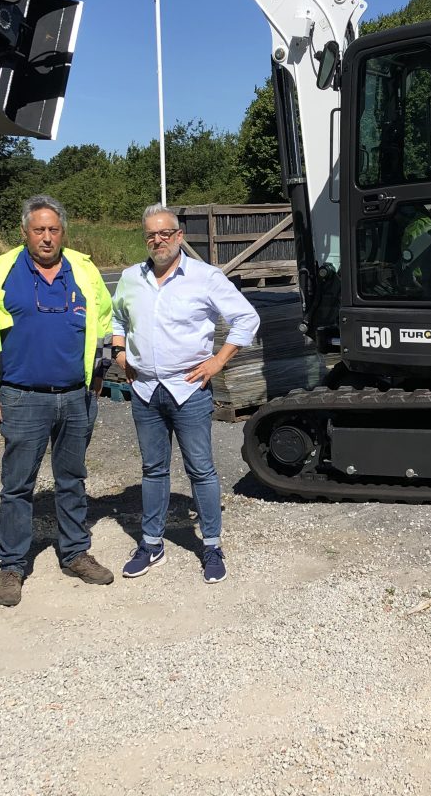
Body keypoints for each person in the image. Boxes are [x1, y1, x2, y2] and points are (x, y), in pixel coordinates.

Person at [0, 195, 114, 607]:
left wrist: (98, 376)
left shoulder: (83, 269)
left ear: (63, 232)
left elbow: (104, 322)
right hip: (21, 397)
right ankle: (12, 565)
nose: (47, 237)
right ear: (25, 231)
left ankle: (75, 553)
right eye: (39, 229)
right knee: (17, 486)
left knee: (72, 479)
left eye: (54, 229)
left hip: (76, 397)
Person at [111, 203, 260, 584]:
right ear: (145, 238)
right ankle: (151, 543)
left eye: (165, 233)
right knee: (153, 469)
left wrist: (218, 363)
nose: (158, 240)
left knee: (201, 470)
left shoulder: (205, 277)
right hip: (145, 389)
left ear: (179, 236)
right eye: (151, 234)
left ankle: (211, 545)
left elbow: (247, 318)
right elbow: (116, 317)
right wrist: (119, 351)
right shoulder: (131, 277)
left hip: (188, 389)